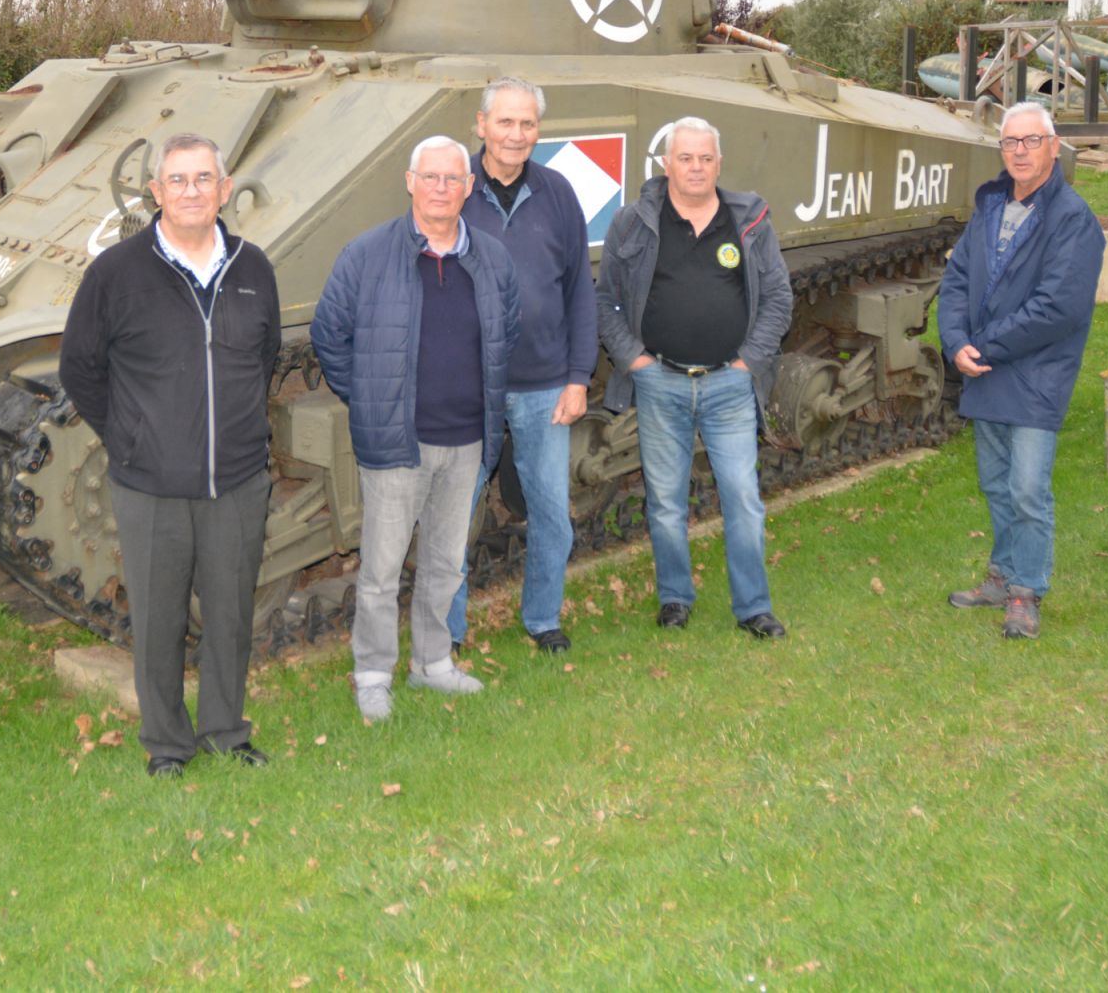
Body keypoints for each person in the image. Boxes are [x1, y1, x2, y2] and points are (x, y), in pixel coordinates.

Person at [60, 133, 281, 777]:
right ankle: (166, 743)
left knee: (230, 614)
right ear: (156, 192)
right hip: (150, 484)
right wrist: (129, 437)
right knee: (158, 620)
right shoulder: (115, 274)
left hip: (237, 480)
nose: (191, 191)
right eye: (178, 180)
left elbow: (264, 358)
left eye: (203, 178)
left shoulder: (252, 268)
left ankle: (225, 731)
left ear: (225, 189)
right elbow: (80, 368)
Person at [311, 136, 520, 721]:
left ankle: (432, 663)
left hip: (468, 439)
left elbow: (506, 331)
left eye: (452, 179)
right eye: (430, 177)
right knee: (381, 570)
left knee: (445, 564)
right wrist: (370, 397)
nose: (441, 189)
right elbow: (329, 333)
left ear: (469, 186)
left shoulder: (491, 258)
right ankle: (373, 673)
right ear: (410, 182)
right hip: (398, 442)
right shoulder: (367, 254)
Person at [595, 117, 793, 638]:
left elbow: (778, 298)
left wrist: (749, 361)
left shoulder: (748, 220)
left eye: (706, 158)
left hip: (730, 384)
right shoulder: (633, 223)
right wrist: (635, 361)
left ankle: (753, 607)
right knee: (665, 502)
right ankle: (675, 597)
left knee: (742, 498)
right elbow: (605, 301)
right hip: (661, 381)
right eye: (686, 158)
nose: (696, 167)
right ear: (667, 164)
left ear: (719, 164)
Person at [939, 102, 1105, 640]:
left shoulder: (1072, 218)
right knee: (996, 484)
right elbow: (957, 280)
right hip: (986, 369)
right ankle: (1002, 575)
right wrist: (955, 341)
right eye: (1011, 142)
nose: (1020, 151)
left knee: (1028, 489)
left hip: (1036, 374)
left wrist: (981, 345)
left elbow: (1059, 308)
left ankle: (1026, 591)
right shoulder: (990, 205)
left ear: (1053, 147)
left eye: (1032, 141)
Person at [446, 78, 597, 655]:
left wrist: (579, 377)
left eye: (527, 124)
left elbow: (579, 289)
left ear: (539, 130)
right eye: (505, 122)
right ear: (480, 124)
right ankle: (447, 632)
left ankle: (542, 618)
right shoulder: (452, 187)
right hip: (467, 388)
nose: (516, 134)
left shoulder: (557, 192)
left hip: (543, 385)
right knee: (453, 518)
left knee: (552, 513)